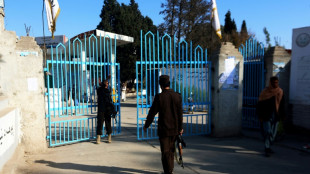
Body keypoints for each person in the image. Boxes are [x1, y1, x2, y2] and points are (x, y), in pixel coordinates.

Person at [143, 75, 183, 174]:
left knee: (165, 152)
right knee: (171, 151)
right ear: (169, 83)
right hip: (175, 129)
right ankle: (170, 171)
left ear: (161, 85)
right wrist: (181, 128)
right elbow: (180, 114)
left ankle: (168, 172)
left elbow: (152, 112)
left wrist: (146, 125)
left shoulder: (160, 97)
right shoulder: (177, 96)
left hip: (164, 129)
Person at [257, 76, 285, 157]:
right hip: (266, 116)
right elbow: (259, 105)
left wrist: (283, 115)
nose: (275, 84)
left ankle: (269, 145)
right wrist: (260, 115)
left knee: (273, 134)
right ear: (270, 83)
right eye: (273, 82)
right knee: (268, 132)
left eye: (276, 82)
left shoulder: (280, 91)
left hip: (276, 116)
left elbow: (282, 104)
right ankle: (267, 148)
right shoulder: (265, 92)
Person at [96, 77, 116, 144]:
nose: (107, 84)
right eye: (106, 83)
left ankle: (109, 136)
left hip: (108, 109)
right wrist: (106, 79)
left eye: (108, 83)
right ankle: (98, 137)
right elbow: (101, 87)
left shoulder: (108, 90)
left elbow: (110, 101)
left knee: (108, 123)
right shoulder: (99, 90)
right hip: (101, 109)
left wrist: (112, 109)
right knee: (100, 123)